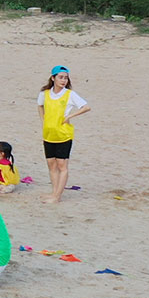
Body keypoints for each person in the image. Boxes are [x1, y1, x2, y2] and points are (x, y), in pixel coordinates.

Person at [38, 66, 91, 204]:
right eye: (60, 77)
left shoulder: (69, 94)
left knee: (62, 165)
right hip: (48, 134)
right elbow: (40, 106)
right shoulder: (45, 93)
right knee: (51, 164)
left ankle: (57, 196)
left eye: (65, 78)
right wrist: (43, 120)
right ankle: (54, 192)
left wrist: (70, 116)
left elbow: (86, 107)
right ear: (53, 78)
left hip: (63, 135)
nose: (63, 80)